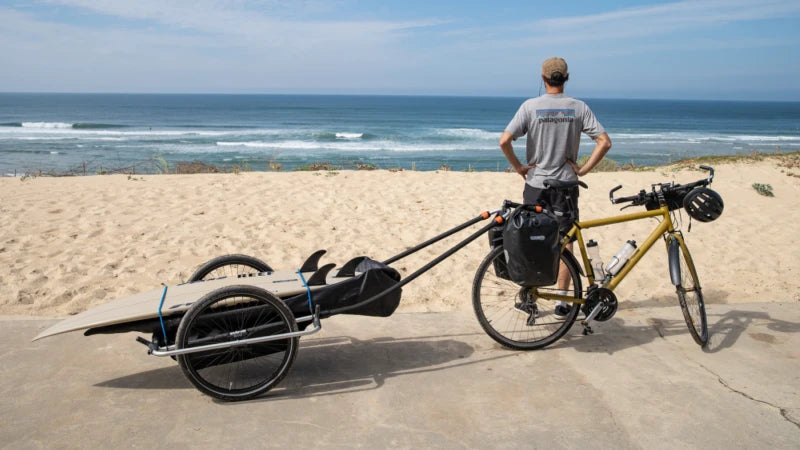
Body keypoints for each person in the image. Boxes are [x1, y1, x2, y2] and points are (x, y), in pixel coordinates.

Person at [499, 57, 612, 320]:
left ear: (543, 78)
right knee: (566, 241)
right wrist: (582, 170)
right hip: (565, 187)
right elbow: (604, 143)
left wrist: (518, 167)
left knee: (530, 239)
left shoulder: (530, 106)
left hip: (536, 185)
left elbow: (504, 140)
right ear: (567, 78)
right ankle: (562, 301)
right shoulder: (578, 107)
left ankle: (530, 298)